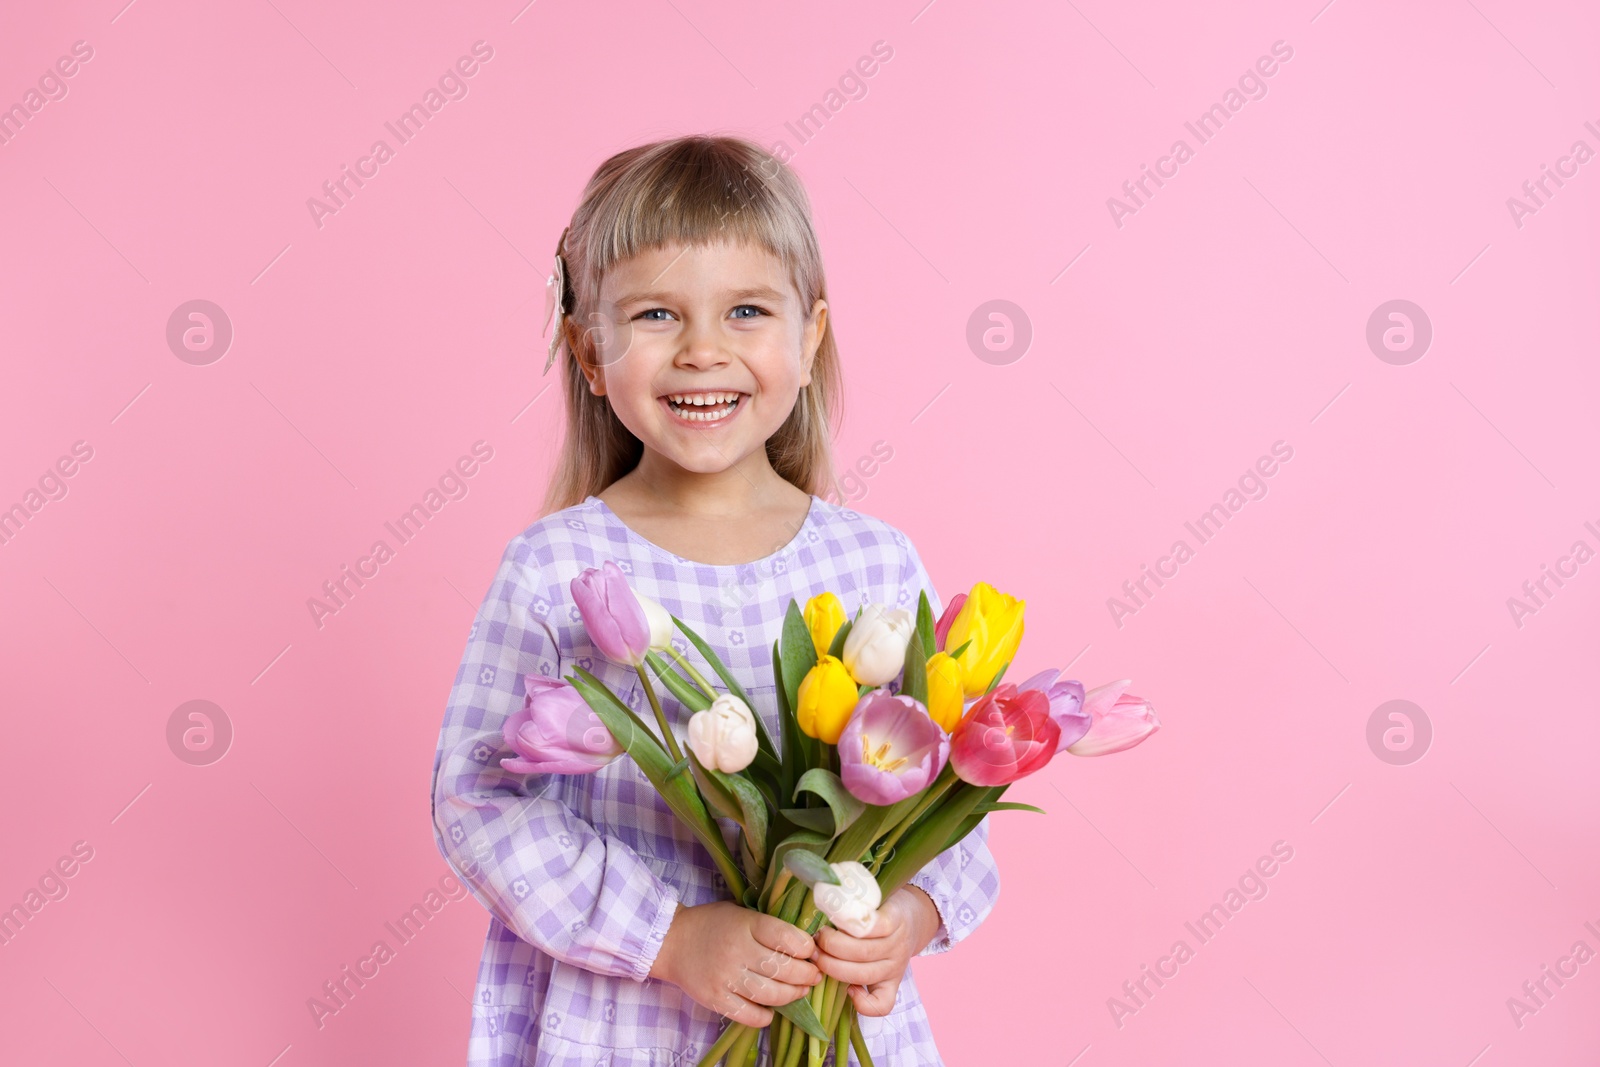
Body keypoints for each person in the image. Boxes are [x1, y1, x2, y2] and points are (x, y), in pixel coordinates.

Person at [429, 134, 1000, 1067]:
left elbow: (951, 786)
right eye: (657, 313)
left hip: (827, 1020)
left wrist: (904, 914)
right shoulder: (556, 568)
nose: (703, 350)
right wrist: (668, 936)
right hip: (623, 1023)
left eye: (746, 310)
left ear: (810, 339)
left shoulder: (874, 566)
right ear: (589, 348)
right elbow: (480, 799)